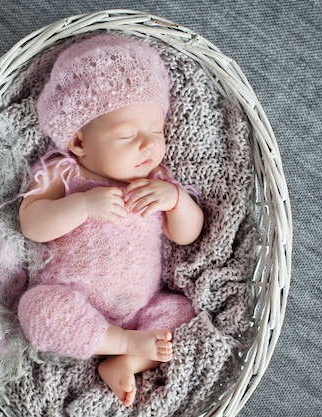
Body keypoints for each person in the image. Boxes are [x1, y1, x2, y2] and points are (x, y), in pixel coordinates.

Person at [16, 33, 204, 407]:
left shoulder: (155, 182)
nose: (149, 145)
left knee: (182, 314)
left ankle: (126, 362)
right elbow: (32, 224)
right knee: (36, 311)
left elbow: (188, 235)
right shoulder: (64, 175)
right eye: (128, 134)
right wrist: (82, 206)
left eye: (156, 132)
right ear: (81, 142)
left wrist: (176, 199)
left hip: (142, 309)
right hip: (73, 299)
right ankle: (121, 344)